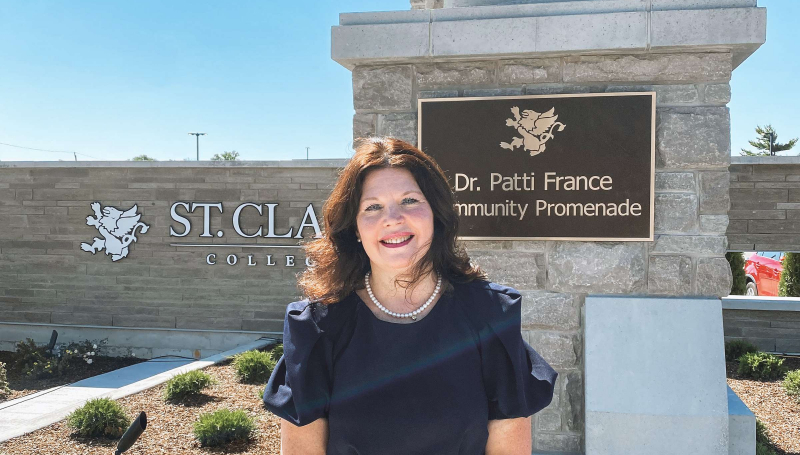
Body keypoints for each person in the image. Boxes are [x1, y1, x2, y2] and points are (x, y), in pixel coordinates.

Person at [263, 137, 557, 454]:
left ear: (436, 213)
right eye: (372, 207)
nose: (393, 218)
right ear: (355, 229)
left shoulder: (489, 316)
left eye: (410, 201)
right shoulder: (318, 328)